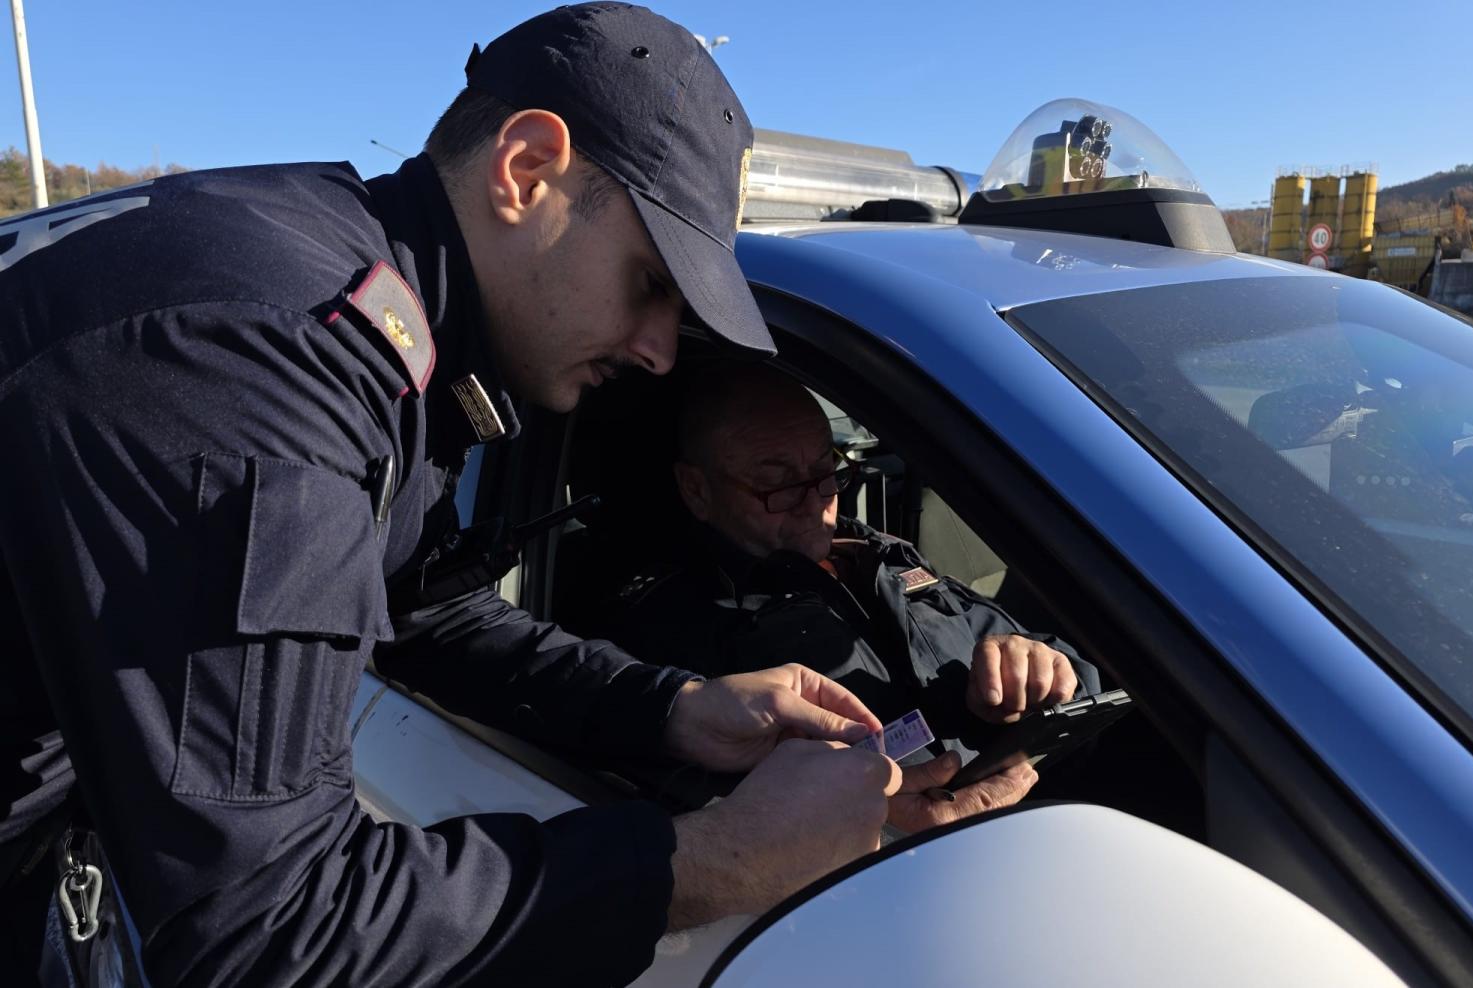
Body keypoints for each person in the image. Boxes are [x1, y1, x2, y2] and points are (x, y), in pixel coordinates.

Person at [0, 6, 906, 986]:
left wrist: (674, 710)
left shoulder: (351, 282)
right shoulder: (262, 363)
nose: (658, 350)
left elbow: (422, 604)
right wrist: (719, 861)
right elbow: (271, 929)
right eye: (650, 282)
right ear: (526, 169)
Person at [606, 362, 1103, 831]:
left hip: (1038, 818)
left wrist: (1043, 671)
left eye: (826, 471)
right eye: (777, 484)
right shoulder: (672, 627)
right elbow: (696, 821)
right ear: (696, 489)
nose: (815, 503)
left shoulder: (880, 554)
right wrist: (871, 826)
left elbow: (1078, 680)